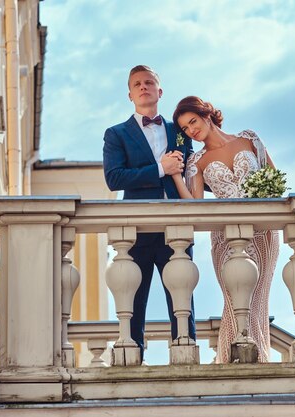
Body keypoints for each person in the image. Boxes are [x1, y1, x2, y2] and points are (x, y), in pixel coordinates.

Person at [170, 96, 280, 363]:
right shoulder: (197, 161)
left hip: (263, 232)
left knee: (259, 297)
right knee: (234, 300)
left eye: (193, 121)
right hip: (226, 240)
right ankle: (238, 360)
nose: (191, 130)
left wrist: (262, 195)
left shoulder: (249, 140)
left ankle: (252, 358)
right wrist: (175, 175)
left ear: (207, 115)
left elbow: (275, 182)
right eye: (185, 129)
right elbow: (195, 206)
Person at [102, 65, 196, 360]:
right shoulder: (116, 134)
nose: (143, 87)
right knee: (134, 297)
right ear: (130, 94)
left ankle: (186, 351)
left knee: (182, 294)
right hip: (137, 228)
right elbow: (114, 178)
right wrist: (159, 169)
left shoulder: (178, 132)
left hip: (176, 227)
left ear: (159, 91)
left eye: (149, 82)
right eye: (137, 84)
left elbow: (194, 170)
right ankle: (133, 356)